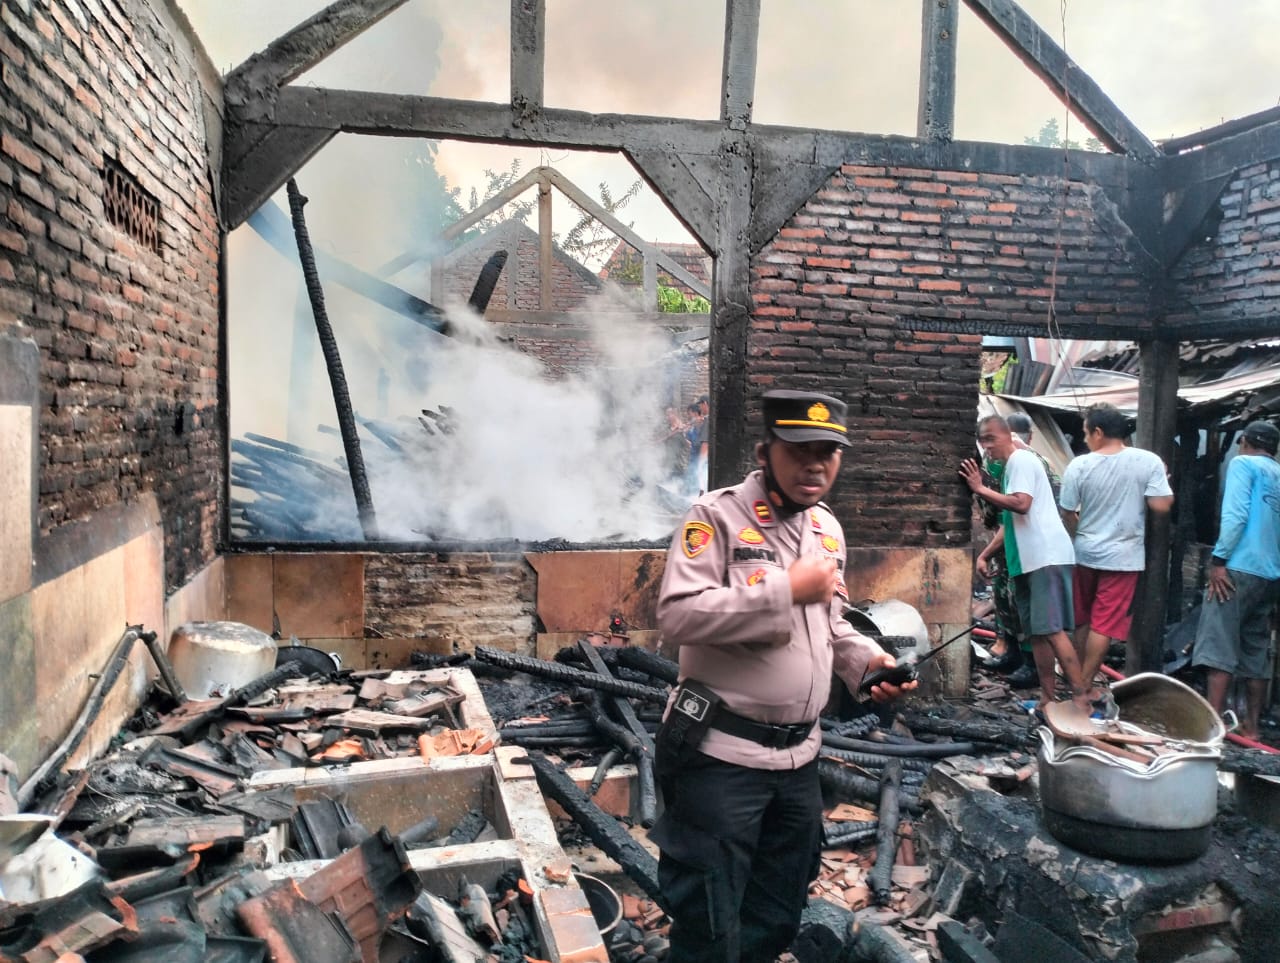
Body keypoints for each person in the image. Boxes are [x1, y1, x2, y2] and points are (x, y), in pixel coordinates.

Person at [653, 388, 914, 963]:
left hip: (799, 763)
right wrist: (782, 589)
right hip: (720, 762)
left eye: (828, 452)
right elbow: (675, 614)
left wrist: (867, 663)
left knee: (775, 917)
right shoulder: (715, 518)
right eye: (799, 450)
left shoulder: (826, 529)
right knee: (709, 927)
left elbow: (831, 621)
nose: (815, 465)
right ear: (766, 450)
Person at [960, 415, 1090, 712]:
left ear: (1008, 435)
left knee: (1053, 630)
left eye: (991, 438)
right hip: (1029, 561)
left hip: (1046, 557)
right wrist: (985, 555)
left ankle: (1080, 697)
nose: (986, 446)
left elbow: (1021, 503)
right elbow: (1011, 521)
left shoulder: (1021, 461)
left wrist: (979, 488)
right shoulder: (1010, 468)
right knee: (1037, 634)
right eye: (983, 440)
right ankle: (1047, 698)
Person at [1058, 403, 1173, 692]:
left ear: (1098, 432)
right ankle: (1085, 683)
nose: (1085, 440)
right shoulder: (1148, 462)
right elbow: (1161, 505)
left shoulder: (1079, 465)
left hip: (1085, 553)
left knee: (1082, 618)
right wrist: (1162, 484)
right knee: (1104, 624)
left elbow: (1068, 512)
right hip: (1124, 558)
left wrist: (1080, 535)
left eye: (1085, 433)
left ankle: (1075, 680)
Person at [1192, 420, 1280, 739]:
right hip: (1270, 573)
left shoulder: (1243, 464)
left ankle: (1212, 726)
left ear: (1244, 442)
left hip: (1239, 567)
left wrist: (1219, 561)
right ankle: (1252, 727)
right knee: (1255, 649)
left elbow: (1236, 516)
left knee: (1219, 644)